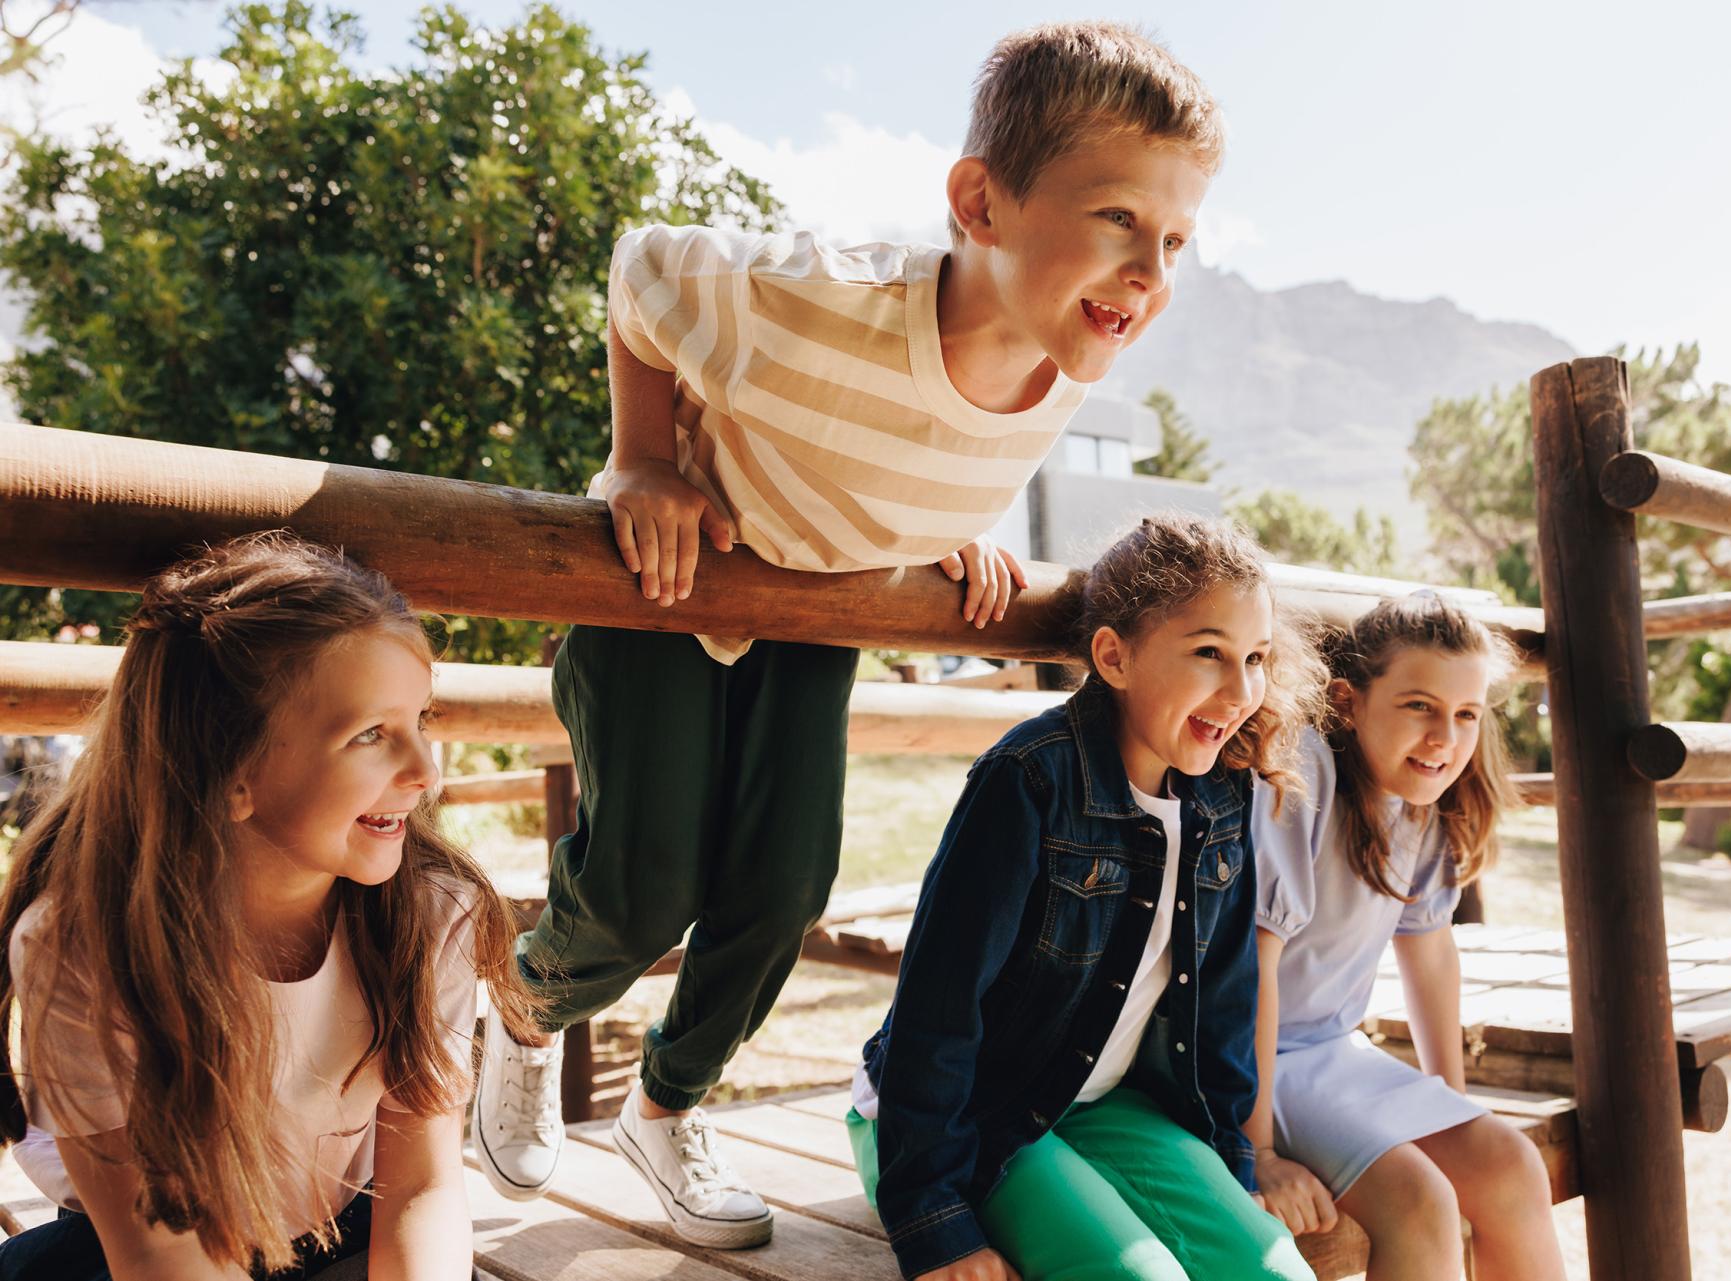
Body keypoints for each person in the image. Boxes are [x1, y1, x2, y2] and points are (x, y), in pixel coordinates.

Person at [472, 20, 1225, 1251]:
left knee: (782, 893)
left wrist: (949, 538)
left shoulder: (1072, 351)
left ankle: (665, 1107)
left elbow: (919, 442)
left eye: (1177, 240)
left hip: (818, 613)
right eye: (1118, 220)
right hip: (675, 584)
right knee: (638, 891)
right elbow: (639, 271)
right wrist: (640, 460)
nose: (1149, 271)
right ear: (981, 203)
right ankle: (521, 1003)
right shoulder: (808, 299)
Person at [0, 532, 540, 1281]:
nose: (424, 771)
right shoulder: (84, 947)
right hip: (145, 1241)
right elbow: (156, 1249)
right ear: (231, 771)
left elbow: (420, 1185)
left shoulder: (431, 911)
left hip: (349, 1222)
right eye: (370, 735)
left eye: (425, 721)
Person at [851, 516, 1323, 1281]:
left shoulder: (1226, 798)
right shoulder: (1028, 781)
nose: (1242, 690)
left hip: (1103, 1106)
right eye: (1209, 652)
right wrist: (935, 1222)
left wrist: (1235, 1173)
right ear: (1114, 655)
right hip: (961, 1116)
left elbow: (1225, 1012)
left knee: (1276, 1272)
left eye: (1257, 658)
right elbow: (939, 1010)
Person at [1246, 594, 1565, 1281]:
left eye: (1465, 714)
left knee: (1512, 1166)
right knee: (1422, 1202)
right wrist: (1259, 1153)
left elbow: (1431, 952)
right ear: (1349, 701)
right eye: (1419, 705)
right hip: (1251, 1059)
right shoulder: (1300, 774)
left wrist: (1446, 1099)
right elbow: (1255, 972)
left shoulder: (1422, 799)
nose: (1444, 736)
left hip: (1334, 1051)